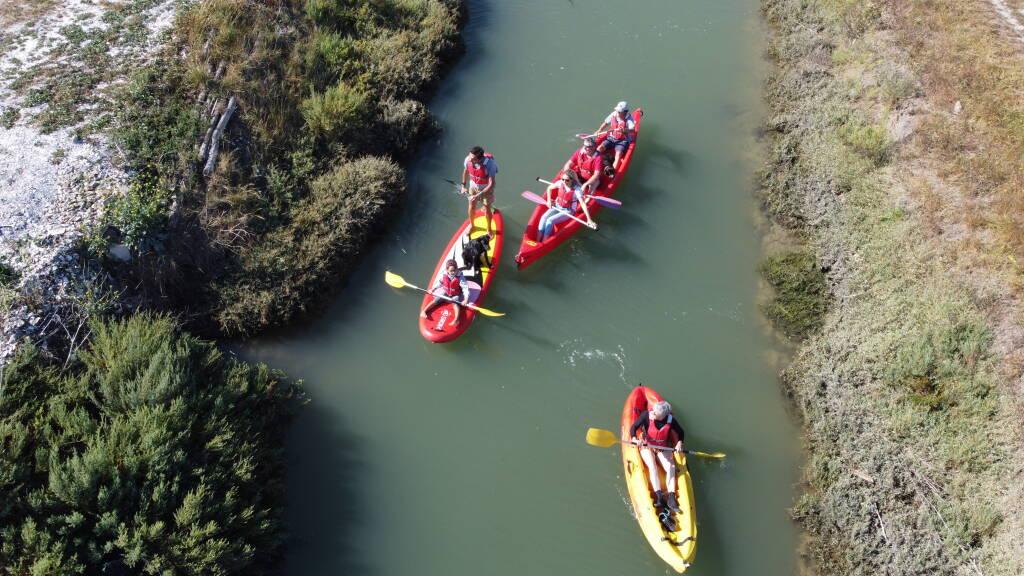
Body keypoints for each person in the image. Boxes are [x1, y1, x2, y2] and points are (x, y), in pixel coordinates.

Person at [628, 400, 686, 513]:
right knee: (652, 466)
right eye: (653, 411)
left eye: (655, 413)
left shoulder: (670, 420)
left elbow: (681, 433)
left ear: (663, 416)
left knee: (671, 467)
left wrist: (679, 443)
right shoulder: (646, 415)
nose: (653, 413)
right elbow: (633, 427)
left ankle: (671, 497)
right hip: (647, 445)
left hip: (662, 446)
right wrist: (634, 439)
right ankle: (659, 497)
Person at [537, 169, 585, 242]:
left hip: (568, 211)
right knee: (544, 217)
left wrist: (589, 220)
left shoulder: (577, 190)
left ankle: (543, 242)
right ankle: (537, 241)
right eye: (563, 179)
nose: (564, 182)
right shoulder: (560, 183)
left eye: (567, 180)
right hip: (558, 205)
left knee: (549, 220)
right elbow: (549, 188)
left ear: (572, 180)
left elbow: (582, 204)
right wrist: (549, 201)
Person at [421, 259, 470, 327]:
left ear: (456, 269)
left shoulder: (460, 277)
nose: (453, 272)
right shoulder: (444, 275)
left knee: (455, 303)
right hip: (446, 293)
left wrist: (466, 299)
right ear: (447, 270)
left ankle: (456, 320)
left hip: (456, 294)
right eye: (451, 271)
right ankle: (424, 311)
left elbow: (465, 288)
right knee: (436, 300)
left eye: (454, 270)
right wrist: (433, 289)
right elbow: (440, 283)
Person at [461, 146, 498, 232]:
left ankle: (489, 229)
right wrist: (463, 186)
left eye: (473, 158)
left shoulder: (490, 165)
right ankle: (472, 225)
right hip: (473, 186)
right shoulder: (468, 160)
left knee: (487, 208)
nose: (469, 160)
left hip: (486, 188)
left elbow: (491, 184)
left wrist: (479, 194)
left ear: (480, 159)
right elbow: (465, 171)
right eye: (469, 156)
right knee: (471, 206)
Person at [594, 101, 636, 169]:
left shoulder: (629, 119)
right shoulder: (614, 114)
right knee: (599, 148)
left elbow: (633, 130)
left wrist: (625, 130)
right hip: (611, 138)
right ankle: (593, 163)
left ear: (625, 112)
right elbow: (605, 123)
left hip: (622, 141)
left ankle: (613, 171)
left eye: (619, 111)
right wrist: (599, 130)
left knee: (618, 154)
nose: (617, 112)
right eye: (617, 110)